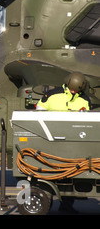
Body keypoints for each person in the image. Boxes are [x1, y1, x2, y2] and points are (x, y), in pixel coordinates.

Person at [36, 72, 91, 214]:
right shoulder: (52, 95)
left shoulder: (84, 100)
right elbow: (39, 112)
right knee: (52, 173)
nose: (73, 92)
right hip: (51, 141)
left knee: (71, 174)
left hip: (74, 143)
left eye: (76, 90)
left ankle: (66, 205)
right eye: (72, 89)